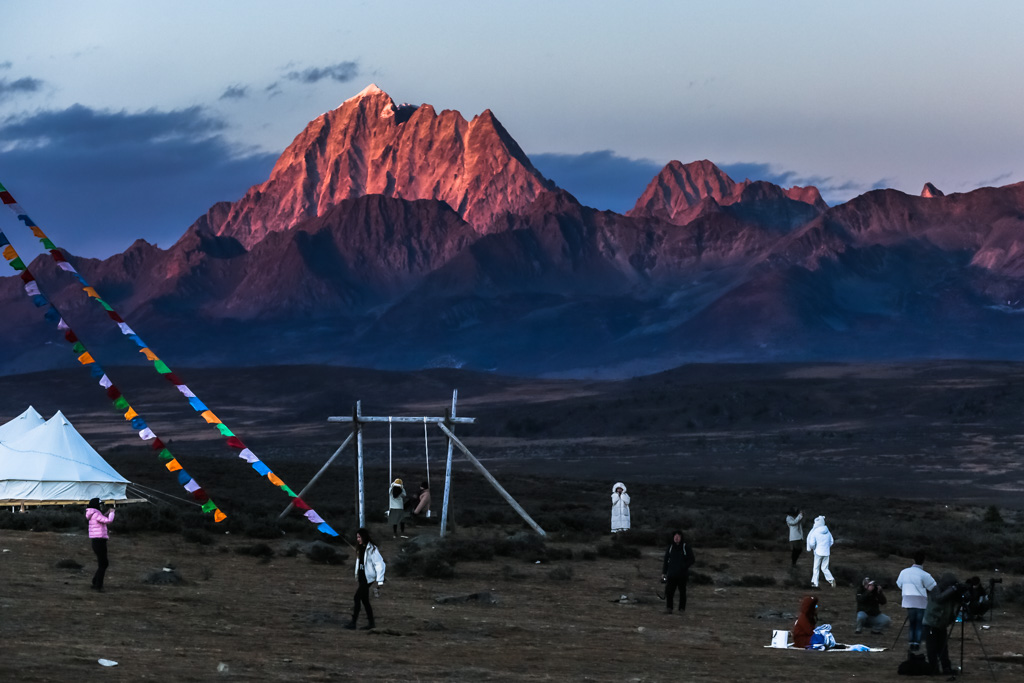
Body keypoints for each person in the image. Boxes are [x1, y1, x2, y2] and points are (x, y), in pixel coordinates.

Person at [896, 551, 937, 652]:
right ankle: (916, 643)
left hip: (908, 600)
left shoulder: (904, 572)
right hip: (920, 601)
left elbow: (899, 584)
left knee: (912, 622)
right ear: (923, 561)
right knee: (919, 624)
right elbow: (933, 587)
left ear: (913, 560)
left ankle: (911, 643)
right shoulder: (925, 574)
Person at [346, 527, 385, 630]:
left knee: (357, 597)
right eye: (357, 537)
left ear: (364, 537)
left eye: (359, 537)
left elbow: (380, 564)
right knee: (365, 600)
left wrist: (380, 580)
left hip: (368, 579)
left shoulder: (372, 548)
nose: (357, 539)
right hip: (362, 578)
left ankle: (353, 623)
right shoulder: (360, 548)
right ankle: (371, 623)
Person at [922, 572, 959, 676]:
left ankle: (946, 668)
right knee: (932, 649)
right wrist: (953, 590)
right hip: (931, 623)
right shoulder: (935, 589)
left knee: (943, 648)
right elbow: (939, 598)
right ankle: (934, 669)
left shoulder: (950, 592)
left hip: (942, 624)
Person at [661, 530, 696, 614]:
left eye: (678, 536)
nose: (676, 538)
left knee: (682, 592)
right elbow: (666, 561)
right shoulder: (670, 548)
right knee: (669, 592)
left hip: (682, 575)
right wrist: (664, 573)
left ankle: (681, 609)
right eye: (675, 537)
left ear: (681, 537)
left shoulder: (685, 547)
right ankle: (669, 608)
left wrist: (684, 566)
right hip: (671, 574)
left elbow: (692, 559)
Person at [85, 498, 115, 591]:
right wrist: (112, 513)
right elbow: (108, 521)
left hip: (96, 541)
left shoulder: (93, 513)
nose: (102, 506)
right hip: (99, 541)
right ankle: (98, 585)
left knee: (102, 563)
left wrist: (106, 513)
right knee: (104, 564)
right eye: (100, 504)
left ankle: (95, 582)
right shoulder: (96, 513)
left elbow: (102, 519)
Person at [806, 515, 835, 588]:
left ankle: (815, 584)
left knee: (816, 568)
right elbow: (831, 541)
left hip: (818, 552)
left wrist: (814, 548)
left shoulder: (815, 532)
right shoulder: (827, 531)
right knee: (825, 568)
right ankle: (831, 579)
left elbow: (812, 543)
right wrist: (826, 547)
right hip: (826, 552)